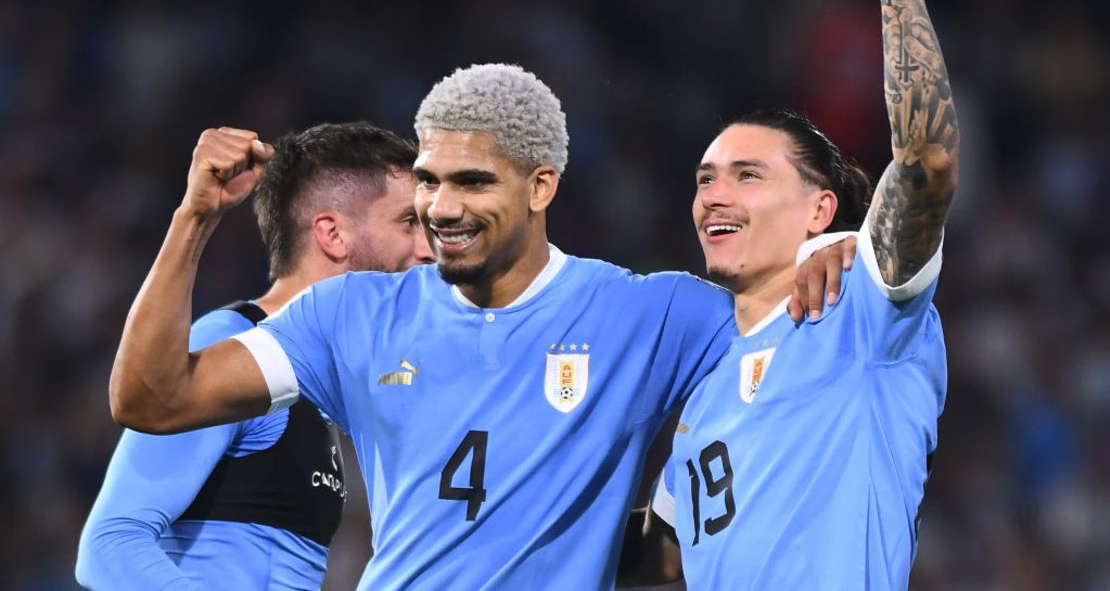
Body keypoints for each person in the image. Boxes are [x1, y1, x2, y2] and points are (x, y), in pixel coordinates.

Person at [107, 64, 853, 586]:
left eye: (471, 182)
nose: (442, 208)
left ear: (540, 186)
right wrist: (195, 219)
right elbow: (152, 399)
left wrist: (840, 250)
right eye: (428, 181)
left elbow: (801, 326)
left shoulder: (651, 315)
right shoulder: (351, 315)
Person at [623, 0, 958, 589]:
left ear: (820, 211)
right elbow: (662, 562)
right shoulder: (705, 386)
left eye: (748, 175)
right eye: (704, 177)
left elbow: (927, 162)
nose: (714, 192)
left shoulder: (864, 314)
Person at [76, 122, 433, 590]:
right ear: (332, 236)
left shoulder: (322, 380)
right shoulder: (232, 341)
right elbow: (109, 547)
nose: (429, 250)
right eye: (409, 222)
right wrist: (195, 216)